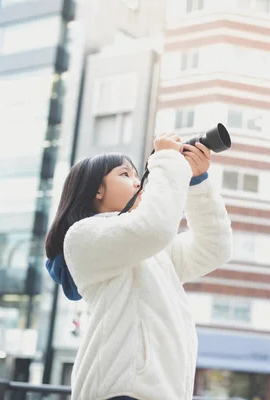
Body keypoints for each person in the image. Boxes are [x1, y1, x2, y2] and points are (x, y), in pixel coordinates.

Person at [44, 133, 233, 400]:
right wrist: (166, 159)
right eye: (125, 174)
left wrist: (198, 183)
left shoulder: (152, 251)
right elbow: (154, 228)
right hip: (120, 392)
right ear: (97, 189)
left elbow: (214, 250)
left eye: (137, 174)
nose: (137, 181)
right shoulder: (81, 236)